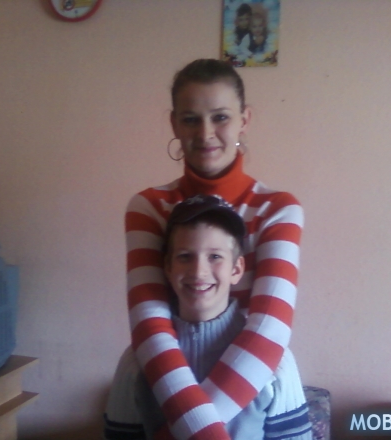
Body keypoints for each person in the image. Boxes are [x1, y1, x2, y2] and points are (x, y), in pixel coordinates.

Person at [125, 59, 304, 439]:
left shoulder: (278, 209)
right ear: (174, 124)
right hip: (163, 371)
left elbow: (269, 330)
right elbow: (150, 325)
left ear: (244, 119)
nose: (205, 133)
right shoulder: (148, 206)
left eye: (220, 117)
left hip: (258, 378)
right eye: (191, 119)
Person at [106, 195, 311, 440]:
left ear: (236, 269)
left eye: (215, 257)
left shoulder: (278, 363)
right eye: (185, 256)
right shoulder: (135, 361)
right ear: (167, 268)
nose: (198, 271)